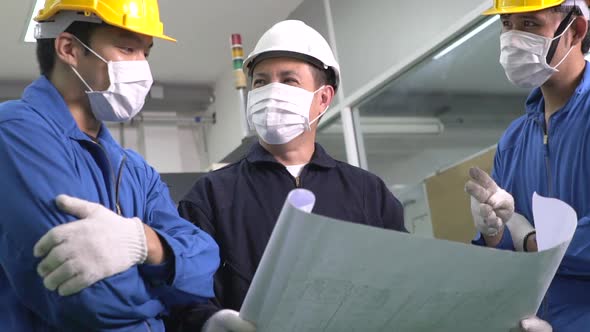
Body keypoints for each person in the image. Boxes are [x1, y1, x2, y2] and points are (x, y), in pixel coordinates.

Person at [169, 20, 407, 332]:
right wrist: (208, 323)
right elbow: (183, 296)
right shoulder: (211, 195)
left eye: (288, 80)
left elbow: (401, 284)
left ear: (322, 98)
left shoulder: (367, 192)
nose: (271, 92)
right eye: (261, 82)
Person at [0, 1, 220, 331]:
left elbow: (204, 266)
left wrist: (147, 243)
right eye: (128, 48)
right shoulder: (15, 132)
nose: (142, 68)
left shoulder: (135, 170)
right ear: (69, 48)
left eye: (146, 53)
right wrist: (162, 287)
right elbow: (87, 297)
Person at [465, 0, 590, 331]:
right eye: (507, 24)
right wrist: (494, 233)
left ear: (576, 30)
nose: (513, 38)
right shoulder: (514, 139)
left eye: (530, 24)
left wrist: (529, 239)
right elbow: (500, 266)